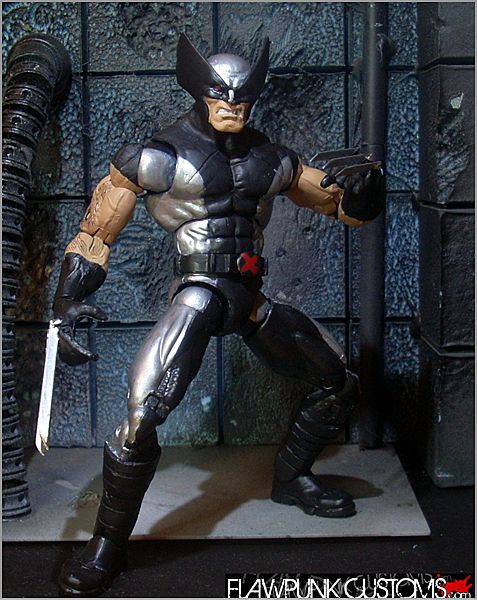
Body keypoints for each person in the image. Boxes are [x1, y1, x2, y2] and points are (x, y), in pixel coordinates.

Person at [56, 34, 384, 596]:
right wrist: (67, 301)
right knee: (140, 418)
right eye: (220, 95)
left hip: (250, 298)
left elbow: (344, 208)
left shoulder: (272, 159)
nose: (232, 105)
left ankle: (292, 477)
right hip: (199, 293)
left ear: (254, 96)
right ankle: (107, 543)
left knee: (337, 380)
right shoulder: (157, 158)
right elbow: (96, 231)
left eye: (242, 97)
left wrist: (365, 188)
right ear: (198, 90)